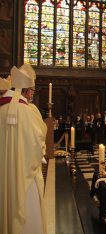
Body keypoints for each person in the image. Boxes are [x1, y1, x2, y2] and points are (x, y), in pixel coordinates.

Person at [0, 64, 47, 234]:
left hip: (3, 173)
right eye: (32, 90)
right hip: (24, 176)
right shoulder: (27, 111)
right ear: (27, 90)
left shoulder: (1, 109)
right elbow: (37, 142)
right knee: (27, 209)